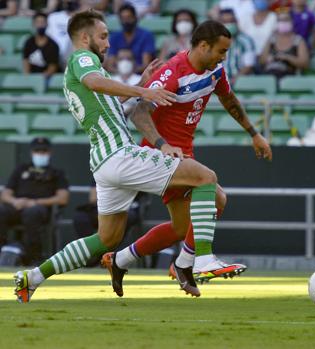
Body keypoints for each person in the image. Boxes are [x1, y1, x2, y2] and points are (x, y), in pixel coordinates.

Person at [13, 9, 221, 303]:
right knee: (205, 178)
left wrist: (141, 85)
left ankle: (32, 277)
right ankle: (199, 259)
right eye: (103, 36)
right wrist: (143, 91)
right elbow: (95, 83)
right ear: (84, 37)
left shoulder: (85, 70)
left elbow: (109, 104)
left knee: (106, 239)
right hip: (119, 154)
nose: (108, 43)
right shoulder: (82, 59)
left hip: (103, 162)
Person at [101, 20, 272, 296]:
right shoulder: (172, 72)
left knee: (182, 227)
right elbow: (139, 113)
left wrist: (254, 133)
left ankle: (120, 260)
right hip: (160, 154)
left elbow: (229, 99)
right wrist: (162, 144)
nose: (223, 57)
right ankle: (195, 261)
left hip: (184, 154)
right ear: (203, 46)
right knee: (215, 194)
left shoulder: (215, 70)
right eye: (221, 51)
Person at [0, 137, 69, 265]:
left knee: (32, 213)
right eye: (37, 151)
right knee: (1, 211)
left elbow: (62, 198)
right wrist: (15, 201)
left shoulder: (56, 173)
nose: (40, 154)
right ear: (32, 152)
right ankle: (3, 252)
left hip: (40, 209)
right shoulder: (21, 169)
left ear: (49, 153)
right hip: (18, 206)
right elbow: (5, 194)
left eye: (44, 151)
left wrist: (36, 202)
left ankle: (33, 257)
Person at [105, 3, 156, 74]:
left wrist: (129, 73)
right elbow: (110, 66)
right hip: (119, 77)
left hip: (140, 76)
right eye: (123, 18)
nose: (126, 21)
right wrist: (124, 74)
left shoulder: (146, 35)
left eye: (129, 18)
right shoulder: (115, 37)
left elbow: (146, 65)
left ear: (135, 18)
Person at [260, 10, 309, 78]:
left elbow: (305, 64)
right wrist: (271, 58)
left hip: (289, 76)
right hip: (269, 73)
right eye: (280, 20)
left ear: (292, 21)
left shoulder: (298, 41)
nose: (283, 22)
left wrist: (287, 58)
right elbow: (262, 60)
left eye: (286, 19)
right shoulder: (272, 40)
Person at [219, 8, 256, 82]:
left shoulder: (246, 40)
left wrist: (235, 79)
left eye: (231, 21)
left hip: (241, 80)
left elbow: (249, 65)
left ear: (236, 22)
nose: (229, 24)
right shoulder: (212, 42)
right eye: (225, 22)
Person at [22, 12, 60, 79]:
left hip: (46, 78)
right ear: (33, 24)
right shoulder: (29, 42)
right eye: (38, 22)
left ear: (47, 24)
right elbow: (26, 61)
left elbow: (53, 66)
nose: (40, 25)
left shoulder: (53, 45)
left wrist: (41, 78)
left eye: (42, 22)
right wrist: (27, 78)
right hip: (31, 77)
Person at [112, 48, 141, 115]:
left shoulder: (140, 80)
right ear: (116, 61)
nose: (125, 62)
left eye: (128, 59)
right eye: (121, 59)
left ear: (134, 61)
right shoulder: (110, 80)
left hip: (135, 116)